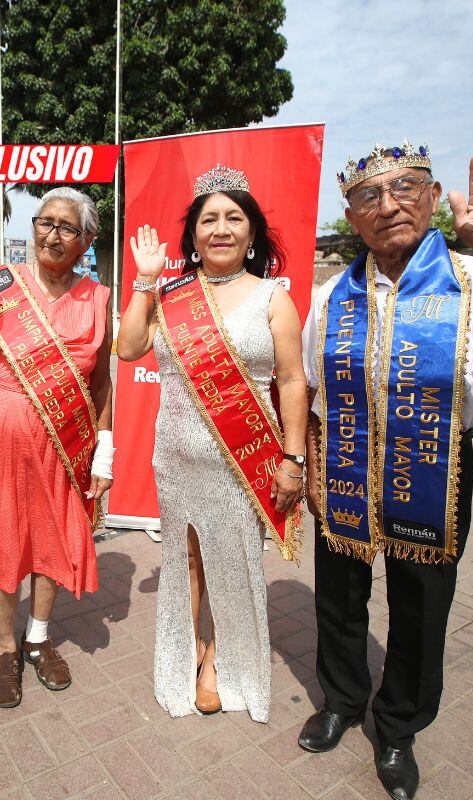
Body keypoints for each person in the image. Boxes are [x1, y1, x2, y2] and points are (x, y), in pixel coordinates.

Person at [298, 141, 473, 800]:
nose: (388, 205)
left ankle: (397, 728)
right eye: (370, 195)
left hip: (435, 467)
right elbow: (312, 390)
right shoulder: (331, 295)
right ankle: (342, 699)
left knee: (421, 608)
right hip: (342, 467)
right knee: (338, 600)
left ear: (431, 196)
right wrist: (309, 467)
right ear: (351, 213)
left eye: (405, 189)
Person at [117, 164, 309, 722]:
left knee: (237, 558)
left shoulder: (274, 298)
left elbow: (292, 380)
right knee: (188, 559)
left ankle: (218, 661)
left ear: (252, 232)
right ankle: (184, 651)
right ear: (193, 235)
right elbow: (128, 349)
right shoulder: (172, 295)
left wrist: (293, 458)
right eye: (209, 220)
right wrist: (145, 281)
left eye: (233, 218)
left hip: (243, 458)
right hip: (175, 458)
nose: (221, 228)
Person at [0, 187, 114, 708]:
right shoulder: (1, 286)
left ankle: (38, 639)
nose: (52, 234)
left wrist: (103, 450)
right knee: (1, 539)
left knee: (51, 539)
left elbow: (101, 383)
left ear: (87, 239)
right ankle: (3, 648)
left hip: (65, 441)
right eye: (45, 222)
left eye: (67, 227)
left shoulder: (98, 298)